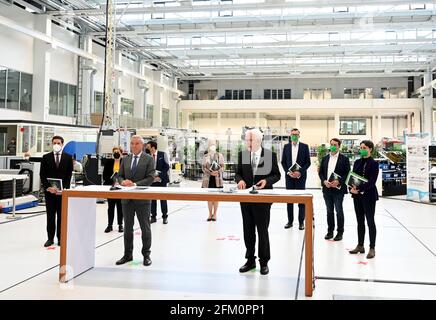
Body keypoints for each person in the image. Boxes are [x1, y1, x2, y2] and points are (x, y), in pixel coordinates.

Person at [235, 129, 281, 275]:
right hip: (246, 200)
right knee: (248, 231)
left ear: (259, 141)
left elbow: (277, 175)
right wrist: (240, 180)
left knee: (262, 231)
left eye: (250, 140)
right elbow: (238, 173)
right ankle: (250, 261)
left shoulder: (269, 155)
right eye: (246, 140)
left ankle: (264, 262)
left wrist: (266, 181)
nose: (247, 143)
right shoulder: (243, 155)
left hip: (263, 200)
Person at [116, 135, 155, 267]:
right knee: (127, 228)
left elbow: (150, 177)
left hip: (142, 199)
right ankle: (127, 254)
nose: (134, 146)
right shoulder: (125, 159)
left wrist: (135, 184)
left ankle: (146, 255)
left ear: (142, 145)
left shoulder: (148, 159)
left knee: (145, 227)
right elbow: (119, 175)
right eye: (132, 143)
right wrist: (123, 181)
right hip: (127, 199)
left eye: (137, 143)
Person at [39, 136, 73, 247]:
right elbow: (42, 175)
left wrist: (64, 189)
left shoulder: (68, 158)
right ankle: (50, 238)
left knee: (61, 217)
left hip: (62, 193)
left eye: (58, 143)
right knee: (50, 216)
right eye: (54, 143)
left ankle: (61, 238)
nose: (56, 144)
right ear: (52, 144)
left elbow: (69, 175)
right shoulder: (46, 157)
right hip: (50, 193)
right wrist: (48, 187)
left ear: (62, 144)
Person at [349, 140, 379, 259]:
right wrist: (350, 188)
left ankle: (372, 248)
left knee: (370, 221)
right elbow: (352, 177)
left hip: (369, 195)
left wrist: (360, 188)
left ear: (370, 149)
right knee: (360, 221)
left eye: (364, 147)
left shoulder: (373, 164)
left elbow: (372, 181)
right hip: (356, 196)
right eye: (361, 147)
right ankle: (360, 245)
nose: (362, 149)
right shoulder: (357, 162)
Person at [318, 138, 351, 241]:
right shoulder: (325, 158)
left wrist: (339, 181)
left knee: (339, 210)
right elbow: (321, 172)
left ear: (339, 146)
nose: (332, 146)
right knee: (329, 211)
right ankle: (330, 231)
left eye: (335, 145)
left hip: (338, 190)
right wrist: (324, 181)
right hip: (327, 189)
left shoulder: (344, 159)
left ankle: (340, 232)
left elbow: (347, 173)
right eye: (331, 144)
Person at [281, 128, 311, 230]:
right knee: (289, 200)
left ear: (299, 136)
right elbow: (283, 162)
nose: (294, 136)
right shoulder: (286, 147)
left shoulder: (304, 147)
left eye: (296, 134)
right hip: (289, 177)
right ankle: (290, 221)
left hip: (301, 177)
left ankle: (301, 222)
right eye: (292, 134)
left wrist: (300, 172)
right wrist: (288, 172)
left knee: (301, 200)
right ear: (290, 135)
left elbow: (308, 162)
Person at [146, 141, 170, 224]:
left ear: (153, 147)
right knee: (152, 199)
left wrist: (159, 177)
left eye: (148, 147)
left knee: (163, 198)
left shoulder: (162, 154)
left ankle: (165, 216)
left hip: (162, 180)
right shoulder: (148, 156)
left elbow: (166, 166)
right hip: (152, 181)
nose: (147, 148)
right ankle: (153, 216)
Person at [201, 139, 225, 221]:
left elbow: (223, 166)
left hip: (217, 179)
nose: (212, 146)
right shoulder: (205, 156)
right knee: (209, 197)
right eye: (211, 144)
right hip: (208, 180)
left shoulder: (220, 155)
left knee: (216, 197)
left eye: (213, 144)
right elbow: (203, 168)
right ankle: (209, 213)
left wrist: (217, 171)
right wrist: (210, 173)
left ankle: (215, 214)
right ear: (208, 145)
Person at [102, 147, 124, 233]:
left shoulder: (124, 162)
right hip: (111, 187)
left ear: (121, 153)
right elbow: (105, 175)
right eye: (114, 152)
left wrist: (120, 181)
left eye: (118, 152)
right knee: (110, 207)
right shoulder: (109, 162)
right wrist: (112, 180)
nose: (116, 153)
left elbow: (126, 174)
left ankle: (120, 225)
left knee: (120, 207)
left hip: (121, 188)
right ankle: (109, 225)